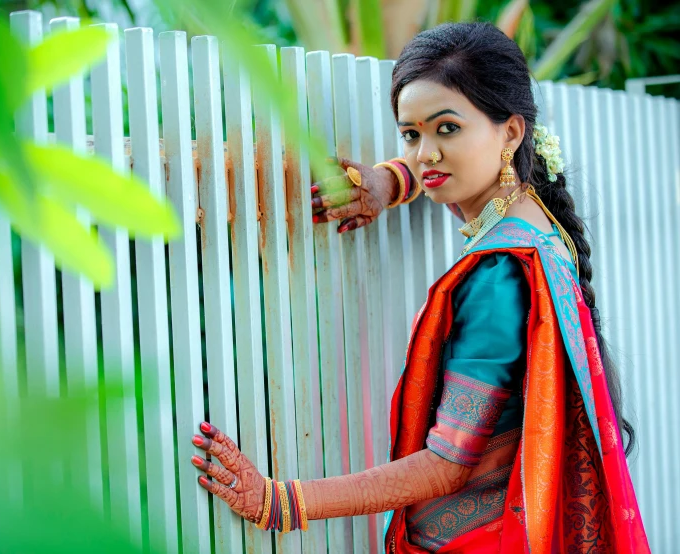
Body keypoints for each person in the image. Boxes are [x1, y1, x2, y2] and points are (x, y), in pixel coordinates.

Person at [190, 22, 650, 552]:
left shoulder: (500, 273)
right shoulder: (537, 221)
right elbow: (431, 168)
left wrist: (282, 501)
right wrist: (389, 182)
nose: (426, 152)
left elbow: (446, 465)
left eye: (447, 129)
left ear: (511, 131)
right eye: (411, 133)